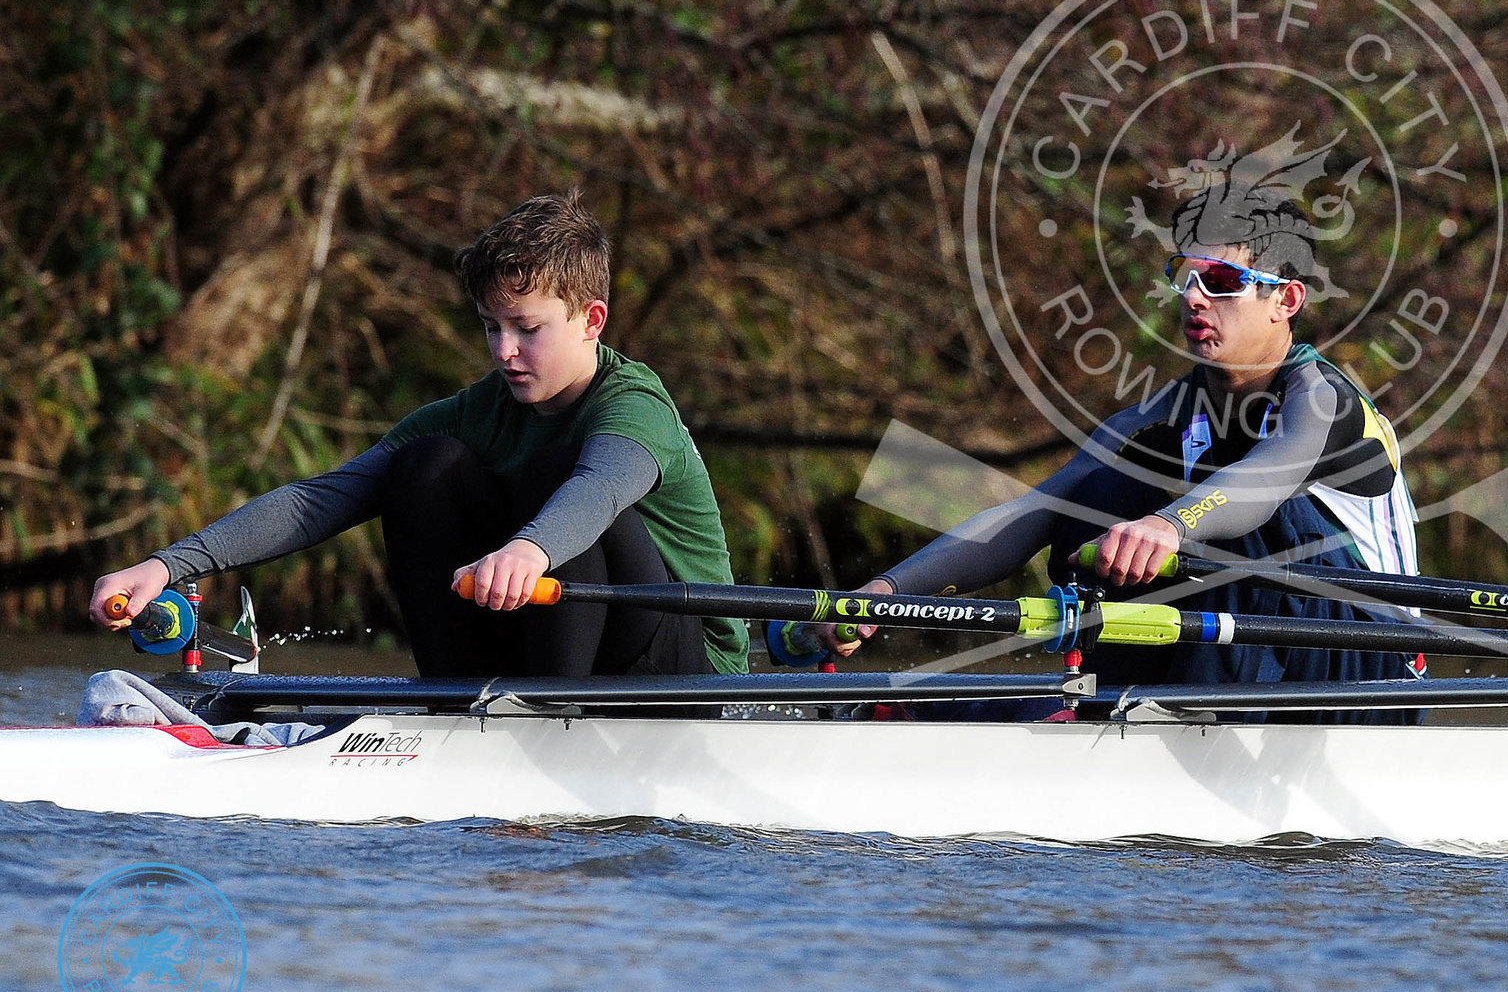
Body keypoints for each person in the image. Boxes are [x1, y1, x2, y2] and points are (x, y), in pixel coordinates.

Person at [90, 191, 745, 679]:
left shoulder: (635, 405)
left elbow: (598, 492)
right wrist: (166, 563)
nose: (504, 351)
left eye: (526, 328)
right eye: (491, 327)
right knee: (424, 467)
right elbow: (322, 498)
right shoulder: (477, 411)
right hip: (568, 634)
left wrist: (528, 552)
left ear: (591, 320)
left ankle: (547, 717)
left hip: (689, 665)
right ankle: (451, 697)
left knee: (558, 473)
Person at [830, 222, 1425, 722]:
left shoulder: (1324, 400)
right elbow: (1027, 515)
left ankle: (1176, 714)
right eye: (1186, 278)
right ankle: (1113, 707)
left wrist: (1170, 524)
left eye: (1221, 283)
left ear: (1286, 301)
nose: (1193, 298)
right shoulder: (1158, 415)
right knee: (1095, 493)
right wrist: (882, 596)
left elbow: (1262, 481)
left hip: (1371, 668)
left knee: (1230, 508)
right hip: (1261, 653)